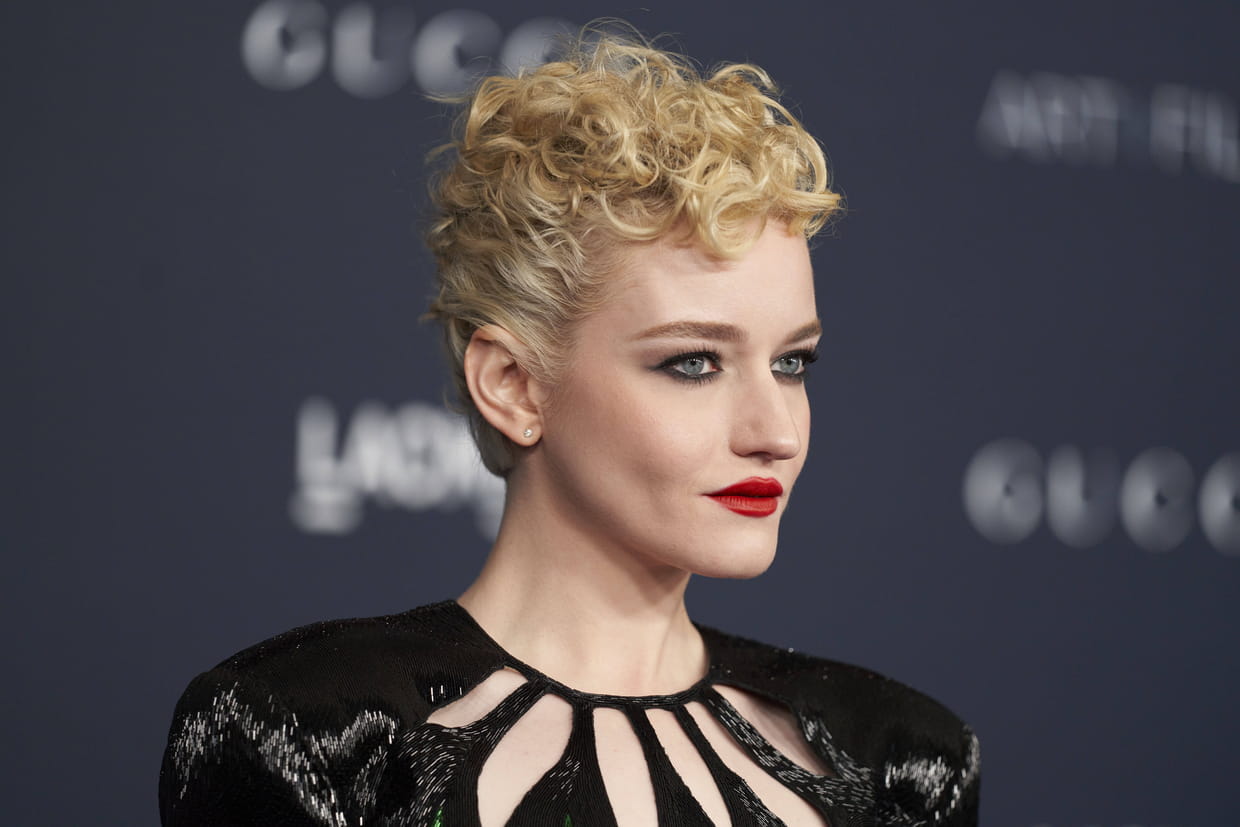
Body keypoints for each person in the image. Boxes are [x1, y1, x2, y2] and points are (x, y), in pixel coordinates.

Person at [159, 30, 980, 827]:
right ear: (513, 386)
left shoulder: (896, 761)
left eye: (792, 363)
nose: (777, 432)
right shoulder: (314, 739)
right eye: (694, 362)